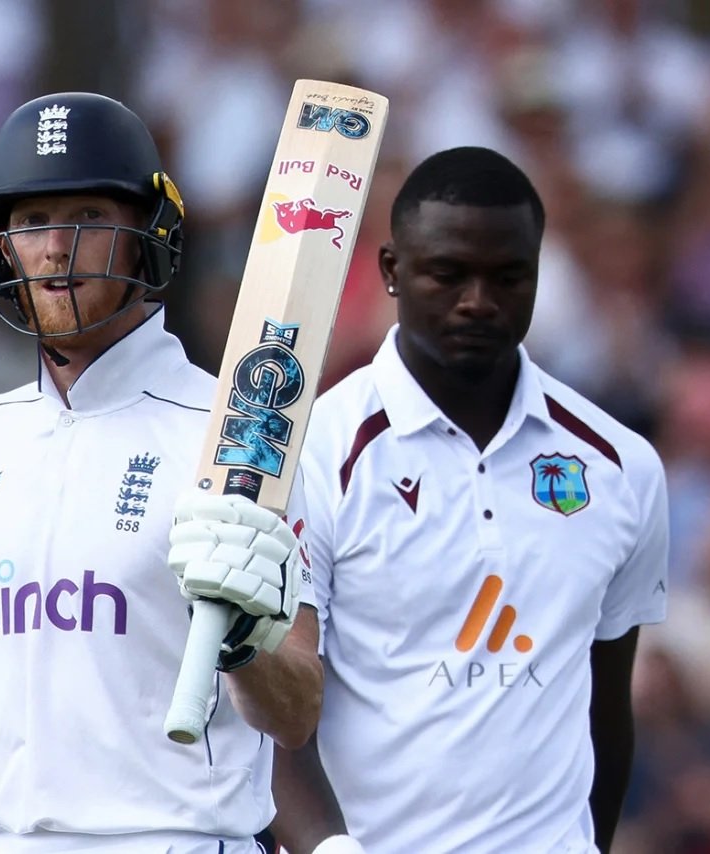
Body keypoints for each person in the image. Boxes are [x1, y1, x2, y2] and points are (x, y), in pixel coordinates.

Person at [0, 92, 323, 854]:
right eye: (32, 221)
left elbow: (298, 712)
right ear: (1, 244)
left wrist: (244, 643)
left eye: (88, 218)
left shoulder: (235, 435)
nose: (55, 249)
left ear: (145, 237)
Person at [271, 147, 670, 854]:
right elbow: (272, 720)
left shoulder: (620, 467)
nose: (479, 301)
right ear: (392, 270)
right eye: (448, 274)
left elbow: (607, 711)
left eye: (508, 277)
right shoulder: (315, 456)